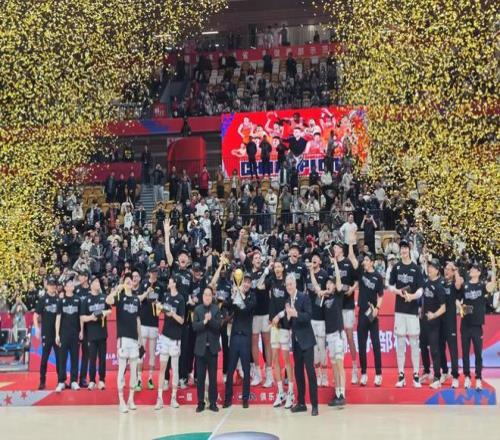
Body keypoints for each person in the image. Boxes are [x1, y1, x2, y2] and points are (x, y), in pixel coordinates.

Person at [388, 239, 424, 388]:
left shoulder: (416, 269)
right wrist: (399, 292)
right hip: (400, 311)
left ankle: (416, 375)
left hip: (412, 311)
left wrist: (412, 296)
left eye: (405, 248)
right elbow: (390, 286)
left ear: (409, 250)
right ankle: (401, 375)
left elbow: (421, 290)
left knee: (415, 343)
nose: (403, 251)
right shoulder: (396, 267)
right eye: (401, 248)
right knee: (401, 343)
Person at [456, 258, 496, 390]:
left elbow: (492, 285)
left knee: (478, 353)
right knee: (465, 353)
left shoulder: (482, 285)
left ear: (479, 272)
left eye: (474, 269)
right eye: (471, 268)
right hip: (465, 324)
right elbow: (457, 299)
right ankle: (467, 377)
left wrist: (493, 267)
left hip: (477, 326)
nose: (472, 270)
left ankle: (478, 378)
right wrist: (460, 306)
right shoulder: (465, 285)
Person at [106, 274, 143, 413]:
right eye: (126, 281)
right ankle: (121, 401)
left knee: (134, 371)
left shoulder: (136, 299)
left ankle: (131, 399)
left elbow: (138, 320)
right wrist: (118, 288)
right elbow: (108, 300)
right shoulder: (120, 297)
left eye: (130, 281)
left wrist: (140, 339)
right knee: (122, 370)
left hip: (134, 339)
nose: (129, 283)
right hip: (123, 338)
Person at [310, 259, 345, 406]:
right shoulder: (323, 299)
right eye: (327, 283)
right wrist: (311, 271)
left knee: (339, 365)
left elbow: (338, 280)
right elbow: (316, 286)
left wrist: (335, 263)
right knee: (334, 365)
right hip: (329, 335)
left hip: (337, 334)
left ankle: (342, 394)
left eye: (331, 283)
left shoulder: (338, 295)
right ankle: (337, 393)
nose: (329, 285)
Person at [348, 243, 384, 386]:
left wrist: (377, 309)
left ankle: (378, 374)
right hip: (362, 313)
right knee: (362, 345)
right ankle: (363, 374)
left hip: (372, 314)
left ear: (372, 262)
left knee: (376, 344)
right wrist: (351, 242)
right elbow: (352, 257)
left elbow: (381, 295)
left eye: (367, 260)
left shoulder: (378, 277)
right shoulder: (361, 273)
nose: (365, 262)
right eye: (364, 260)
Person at [285, 274, 318, 416]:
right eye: (287, 285)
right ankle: (301, 403)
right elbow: (288, 324)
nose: (289, 287)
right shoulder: (287, 301)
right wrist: (288, 317)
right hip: (296, 343)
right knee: (298, 373)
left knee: (310, 372)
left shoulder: (304, 297)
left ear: (295, 284)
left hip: (307, 341)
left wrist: (295, 314)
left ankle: (315, 405)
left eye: (291, 284)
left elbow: (308, 316)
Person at [223, 272, 256, 409]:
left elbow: (247, 309)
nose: (246, 284)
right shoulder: (236, 294)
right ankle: (227, 398)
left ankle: (245, 398)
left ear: (251, 284)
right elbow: (228, 306)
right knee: (230, 369)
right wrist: (233, 295)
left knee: (246, 369)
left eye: (248, 282)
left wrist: (240, 294)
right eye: (244, 282)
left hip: (246, 337)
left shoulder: (252, 296)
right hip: (235, 336)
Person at [266, 260, 294, 409]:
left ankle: (291, 393)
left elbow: (290, 303)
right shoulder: (271, 281)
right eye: (275, 267)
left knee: (286, 360)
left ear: (283, 268)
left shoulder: (286, 282)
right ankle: (280, 392)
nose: (277, 269)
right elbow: (259, 285)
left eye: (279, 266)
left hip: (284, 325)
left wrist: (279, 315)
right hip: (274, 326)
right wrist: (267, 268)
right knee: (274, 360)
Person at [154, 276, 185, 410]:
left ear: (175, 283)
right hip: (165, 337)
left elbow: (182, 320)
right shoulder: (166, 296)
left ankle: (174, 398)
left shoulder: (181, 299)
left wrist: (173, 314)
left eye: (171, 281)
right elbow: (160, 311)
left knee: (175, 369)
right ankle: (159, 398)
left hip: (175, 339)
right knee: (162, 368)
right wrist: (159, 307)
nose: (169, 282)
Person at [332, 241, 359, 384]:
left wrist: (352, 289)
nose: (334, 249)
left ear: (341, 250)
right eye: (333, 248)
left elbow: (357, 280)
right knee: (337, 338)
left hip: (348, 304)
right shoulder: (332, 264)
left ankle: (355, 368)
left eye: (336, 247)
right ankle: (339, 371)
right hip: (336, 306)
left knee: (349, 336)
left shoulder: (348, 263)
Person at [192, 287, 221, 412]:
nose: (207, 297)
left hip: (212, 349)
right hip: (200, 349)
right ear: (202, 296)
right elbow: (195, 327)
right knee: (201, 378)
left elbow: (218, 326)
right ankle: (200, 402)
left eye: (209, 295)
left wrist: (211, 320)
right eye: (205, 295)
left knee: (213, 377)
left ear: (212, 296)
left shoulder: (216, 309)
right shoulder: (197, 309)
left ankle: (213, 402)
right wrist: (204, 321)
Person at [136, 264, 164, 391]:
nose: (154, 273)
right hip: (143, 322)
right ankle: (139, 379)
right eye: (152, 271)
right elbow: (139, 299)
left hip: (154, 323)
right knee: (141, 352)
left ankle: (150, 378)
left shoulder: (161, 286)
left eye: (156, 271)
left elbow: (162, 304)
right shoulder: (143, 284)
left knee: (152, 352)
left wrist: (157, 303)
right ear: (149, 272)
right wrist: (147, 292)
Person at [81, 276, 111, 390]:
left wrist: (103, 313)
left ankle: (102, 380)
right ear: (91, 284)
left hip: (102, 333)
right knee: (92, 358)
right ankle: (92, 380)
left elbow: (110, 310)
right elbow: (82, 317)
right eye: (96, 282)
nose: (98, 283)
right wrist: (91, 317)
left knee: (102, 358)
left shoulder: (104, 297)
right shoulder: (86, 300)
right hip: (91, 334)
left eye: (98, 282)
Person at [420, 259, 447, 389]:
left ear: (437, 270)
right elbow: (424, 299)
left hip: (435, 323)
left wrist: (434, 315)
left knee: (435, 350)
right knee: (422, 346)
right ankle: (426, 371)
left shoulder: (439, 286)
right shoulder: (426, 283)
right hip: (424, 321)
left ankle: (437, 377)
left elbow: (443, 308)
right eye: (429, 266)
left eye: (432, 267)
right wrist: (421, 310)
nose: (429, 268)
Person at [55, 278, 82, 392]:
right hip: (63, 334)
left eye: (72, 285)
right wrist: (57, 334)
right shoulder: (61, 301)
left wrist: (81, 331)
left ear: (73, 287)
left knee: (75, 358)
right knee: (62, 358)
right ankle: (61, 381)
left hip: (75, 334)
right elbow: (58, 318)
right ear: (65, 287)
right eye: (68, 285)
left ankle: (74, 381)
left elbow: (80, 317)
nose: (70, 286)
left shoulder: (78, 300)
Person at [306, 253, 328, 387]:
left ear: (319, 261)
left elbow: (324, 291)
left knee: (322, 347)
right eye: (312, 258)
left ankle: (325, 375)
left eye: (316, 258)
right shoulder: (307, 274)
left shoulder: (324, 274)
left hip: (321, 317)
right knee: (314, 348)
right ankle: (318, 374)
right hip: (310, 316)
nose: (313, 259)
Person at [34, 276, 60, 390]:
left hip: (58, 334)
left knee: (60, 358)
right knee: (44, 358)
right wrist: (36, 328)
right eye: (50, 285)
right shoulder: (43, 299)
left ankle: (61, 381)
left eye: (54, 285)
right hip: (46, 333)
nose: (52, 287)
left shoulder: (59, 299)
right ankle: (42, 381)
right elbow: (35, 315)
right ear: (47, 286)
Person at [439, 261, 461, 388]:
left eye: (449, 269)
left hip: (450, 322)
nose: (446, 271)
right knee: (440, 348)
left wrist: (455, 270)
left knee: (453, 350)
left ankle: (455, 376)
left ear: (453, 272)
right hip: (439, 321)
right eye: (445, 268)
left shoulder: (454, 283)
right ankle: (444, 371)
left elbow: (458, 285)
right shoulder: (441, 282)